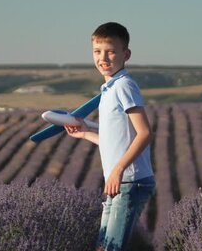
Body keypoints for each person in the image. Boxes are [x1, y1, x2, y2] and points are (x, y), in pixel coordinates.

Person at [65, 22, 155, 251]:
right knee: (103, 247)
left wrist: (118, 170)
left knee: (111, 249)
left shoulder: (124, 85)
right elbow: (114, 140)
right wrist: (86, 133)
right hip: (119, 181)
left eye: (111, 51)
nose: (103, 58)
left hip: (130, 181)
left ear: (126, 54)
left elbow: (144, 133)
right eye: (97, 51)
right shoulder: (108, 90)